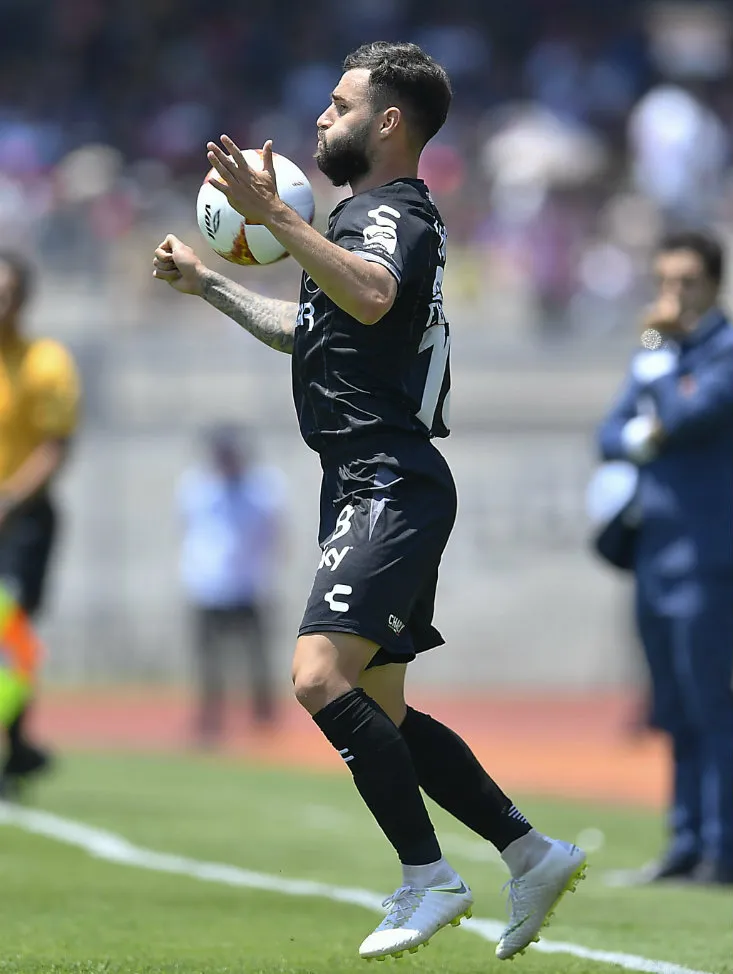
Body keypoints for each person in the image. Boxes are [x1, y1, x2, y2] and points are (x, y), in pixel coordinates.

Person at [153, 41, 586, 961]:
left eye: (340, 105)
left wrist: (270, 211)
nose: (320, 120)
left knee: (318, 677)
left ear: (389, 122)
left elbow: (374, 293)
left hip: (387, 476)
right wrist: (214, 284)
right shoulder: (354, 222)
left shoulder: (390, 218)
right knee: (378, 705)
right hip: (363, 477)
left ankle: (426, 876)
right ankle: (528, 849)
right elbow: (310, 327)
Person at [596, 230, 733, 886]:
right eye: (665, 283)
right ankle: (683, 840)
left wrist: (651, 414)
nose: (672, 296)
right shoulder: (656, 355)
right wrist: (644, 422)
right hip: (656, 553)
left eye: (687, 283)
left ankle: (721, 844)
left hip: (707, 555)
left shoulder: (723, 351)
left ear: (713, 285)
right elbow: (609, 434)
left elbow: (692, 414)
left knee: (713, 704)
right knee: (673, 705)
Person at [0, 251, 81, 798]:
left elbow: (56, 447)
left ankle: (15, 741)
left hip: (23, 521)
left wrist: (8, 498)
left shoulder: (45, 362)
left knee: (11, 632)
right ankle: (19, 746)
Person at [177, 424, 284, 742]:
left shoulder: (263, 489)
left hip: (249, 584)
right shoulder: (195, 488)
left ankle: (263, 717)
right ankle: (211, 716)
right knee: (209, 657)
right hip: (207, 584)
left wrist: (264, 568)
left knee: (256, 655)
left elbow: (274, 534)